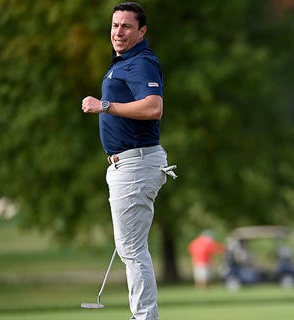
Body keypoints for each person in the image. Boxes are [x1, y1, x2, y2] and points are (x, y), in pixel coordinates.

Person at [81, 3, 175, 320]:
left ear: (142, 31)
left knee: (133, 250)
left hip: (136, 164)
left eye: (126, 26)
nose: (118, 32)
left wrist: (104, 105)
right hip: (130, 165)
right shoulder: (124, 63)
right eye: (115, 25)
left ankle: (144, 317)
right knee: (130, 248)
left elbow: (153, 108)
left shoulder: (142, 62)